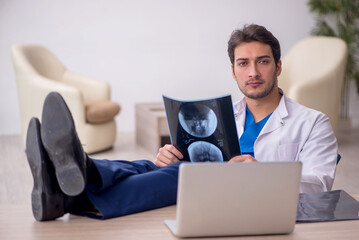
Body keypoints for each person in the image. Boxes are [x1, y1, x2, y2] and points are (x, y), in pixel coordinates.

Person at [25, 24, 337, 221]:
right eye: (244, 63)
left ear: (278, 66)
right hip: (209, 183)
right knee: (149, 167)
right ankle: (78, 176)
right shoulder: (228, 114)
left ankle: (65, 190)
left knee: (185, 174)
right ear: (234, 72)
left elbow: (320, 184)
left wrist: (258, 173)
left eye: (263, 61)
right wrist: (166, 156)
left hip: (252, 198)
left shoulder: (312, 122)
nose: (253, 71)